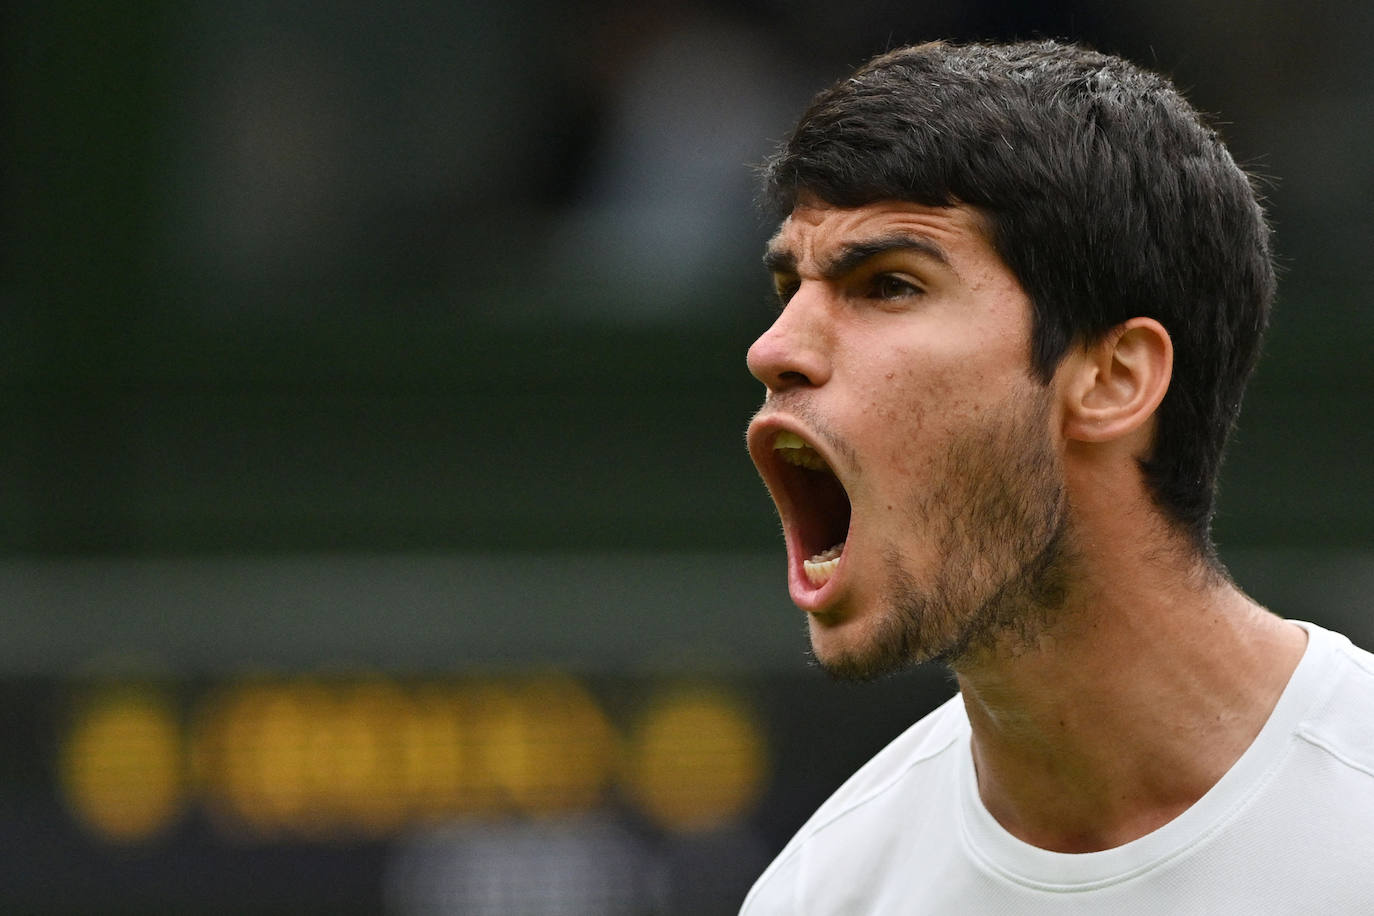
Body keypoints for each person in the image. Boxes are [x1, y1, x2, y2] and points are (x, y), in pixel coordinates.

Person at [740, 39, 1374, 913]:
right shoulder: (822, 893)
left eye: (887, 285)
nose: (773, 349)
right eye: (790, 288)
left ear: (1113, 379)